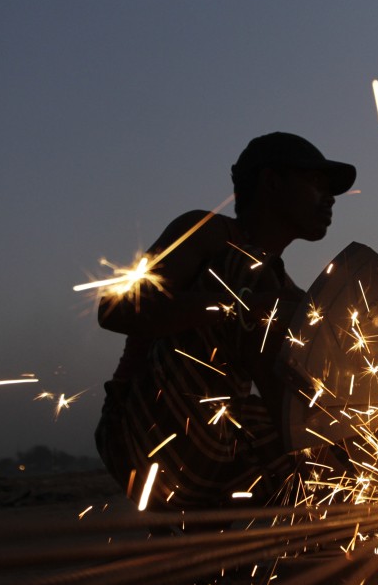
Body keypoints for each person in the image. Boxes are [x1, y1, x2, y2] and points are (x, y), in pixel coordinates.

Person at [94, 132, 356, 511]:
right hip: (146, 433)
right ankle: (291, 445)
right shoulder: (209, 234)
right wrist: (239, 306)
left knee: (318, 328)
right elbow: (113, 310)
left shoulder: (280, 288)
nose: (329, 198)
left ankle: (215, 544)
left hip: (218, 441)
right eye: (316, 184)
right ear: (271, 182)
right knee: (263, 288)